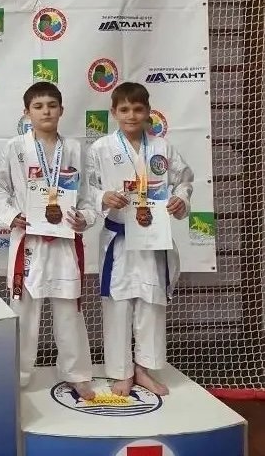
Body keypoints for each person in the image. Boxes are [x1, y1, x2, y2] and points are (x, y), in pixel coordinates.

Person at [0, 82, 96, 399]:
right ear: (27, 113)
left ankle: (77, 373)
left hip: (64, 241)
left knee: (69, 309)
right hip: (29, 240)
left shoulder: (74, 149)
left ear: (62, 110)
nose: (46, 111)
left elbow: (88, 195)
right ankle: (18, 375)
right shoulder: (15, 147)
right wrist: (11, 215)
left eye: (51, 105)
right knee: (23, 310)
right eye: (38, 106)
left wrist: (85, 218)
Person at [87, 82, 193, 396]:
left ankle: (144, 369)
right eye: (124, 109)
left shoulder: (162, 147)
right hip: (119, 239)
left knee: (151, 302)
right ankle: (121, 372)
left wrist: (181, 199)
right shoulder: (101, 148)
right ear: (114, 112)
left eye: (137, 109)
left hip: (152, 239)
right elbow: (86, 187)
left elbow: (184, 180)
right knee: (118, 303)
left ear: (148, 111)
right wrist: (103, 196)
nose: (131, 115)